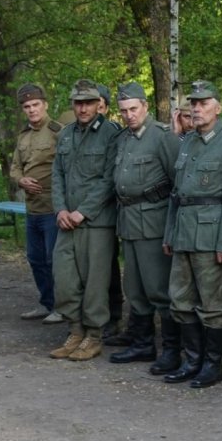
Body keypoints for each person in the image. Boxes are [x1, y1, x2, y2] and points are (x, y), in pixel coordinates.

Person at [161, 80, 222, 388]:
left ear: (218, 107)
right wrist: (169, 234)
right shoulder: (188, 141)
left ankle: (212, 365)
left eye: (203, 103)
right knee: (180, 301)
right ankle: (192, 361)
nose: (197, 108)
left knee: (213, 306)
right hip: (183, 233)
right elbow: (177, 194)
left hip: (211, 238)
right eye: (193, 103)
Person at [108, 81, 182, 370]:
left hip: (154, 224)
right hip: (128, 222)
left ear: (145, 106)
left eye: (133, 109)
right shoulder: (124, 139)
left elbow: (178, 184)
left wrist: (173, 230)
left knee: (158, 289)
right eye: (124, 111)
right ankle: (142, 344)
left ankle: (172, 350)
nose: (129, 115)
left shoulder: (162, 137)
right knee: (135, 288)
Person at [48, 79, 121, 361]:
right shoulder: (66, 134)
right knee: (65, 279)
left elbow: (109, 179)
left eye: (88, 103)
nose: (83, 108)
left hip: (96, 222)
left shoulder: (111, 134)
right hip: (67, 221)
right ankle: (75, 331)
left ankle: (93, 336)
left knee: (95, 283)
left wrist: (83, 211)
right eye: (78, 103)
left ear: (98, 104)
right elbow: (57, 175)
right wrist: (60, 210)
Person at [10, 83, 65, 324]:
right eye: (27, 106)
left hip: (53, 207)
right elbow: (15, 167)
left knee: (55, 261)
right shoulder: (23, 136)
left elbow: (68, 167)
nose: (31, 110)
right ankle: (47, 302)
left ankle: (62, 306)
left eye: (35, 104)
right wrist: (20, 180)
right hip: (32, 208)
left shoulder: (58, 132)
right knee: (36, 259)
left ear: (45, 105)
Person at [96, 81, 127, 342]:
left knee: (109, 266)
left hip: (110, 209)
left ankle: (114, 315)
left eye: (98, 104)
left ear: (105, 108)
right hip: (86, 210)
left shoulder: (114, 133)